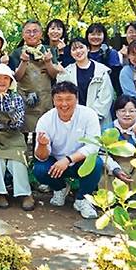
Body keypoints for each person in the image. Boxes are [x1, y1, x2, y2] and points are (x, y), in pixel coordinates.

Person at [33, 81, 104, 219]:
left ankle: (82, 199)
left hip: (79, 160)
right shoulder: (45, 120)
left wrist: (68, 160)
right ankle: (60, 188)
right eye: (59, 99)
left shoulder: (89, 115)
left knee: (96, 163)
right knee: (39, 169)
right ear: (53, 100)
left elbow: (93, 145)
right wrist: (42, 145)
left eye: (68, 99)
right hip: (56, 162)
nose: (64, 104)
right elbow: (41, 157)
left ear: (76, 99)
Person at [0, 64, 34, 211]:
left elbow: (18, 122)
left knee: (18, 161)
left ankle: (26, 194)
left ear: (10, 81)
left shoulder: (16, 98)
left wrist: (5, 119)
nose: (2, 81)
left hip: (13, 136)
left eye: (6, 78)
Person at [9, 20, 60, 133]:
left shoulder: (49, 50)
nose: (32, 34)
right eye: (28, 32)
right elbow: (16, 78)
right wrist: (23, 62)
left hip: (45, 98)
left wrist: (48, 62)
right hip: (25, 99)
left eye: (35, 31)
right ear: (23, 35)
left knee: (46, 133)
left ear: (41, 34)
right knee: (26, 134)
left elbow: (54, 76)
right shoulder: (16, 53)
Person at [57, 37, 114, 127]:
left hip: (98, 121)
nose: (78, 51)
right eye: (74, 49)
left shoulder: (101, 71)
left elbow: (106, 98)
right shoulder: (67, 71)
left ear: (88, 48)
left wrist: (89, 118)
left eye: (81, 47)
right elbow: (62, 95)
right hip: (74, 121)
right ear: (71, 53)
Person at [85, 23, 122, 95]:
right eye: (92, 34)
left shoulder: (111, 53)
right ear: (87, 36)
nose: (95, 37)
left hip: (106, 92)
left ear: (104, 36)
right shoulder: (82, 53)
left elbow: (116, 77)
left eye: (99, 34)